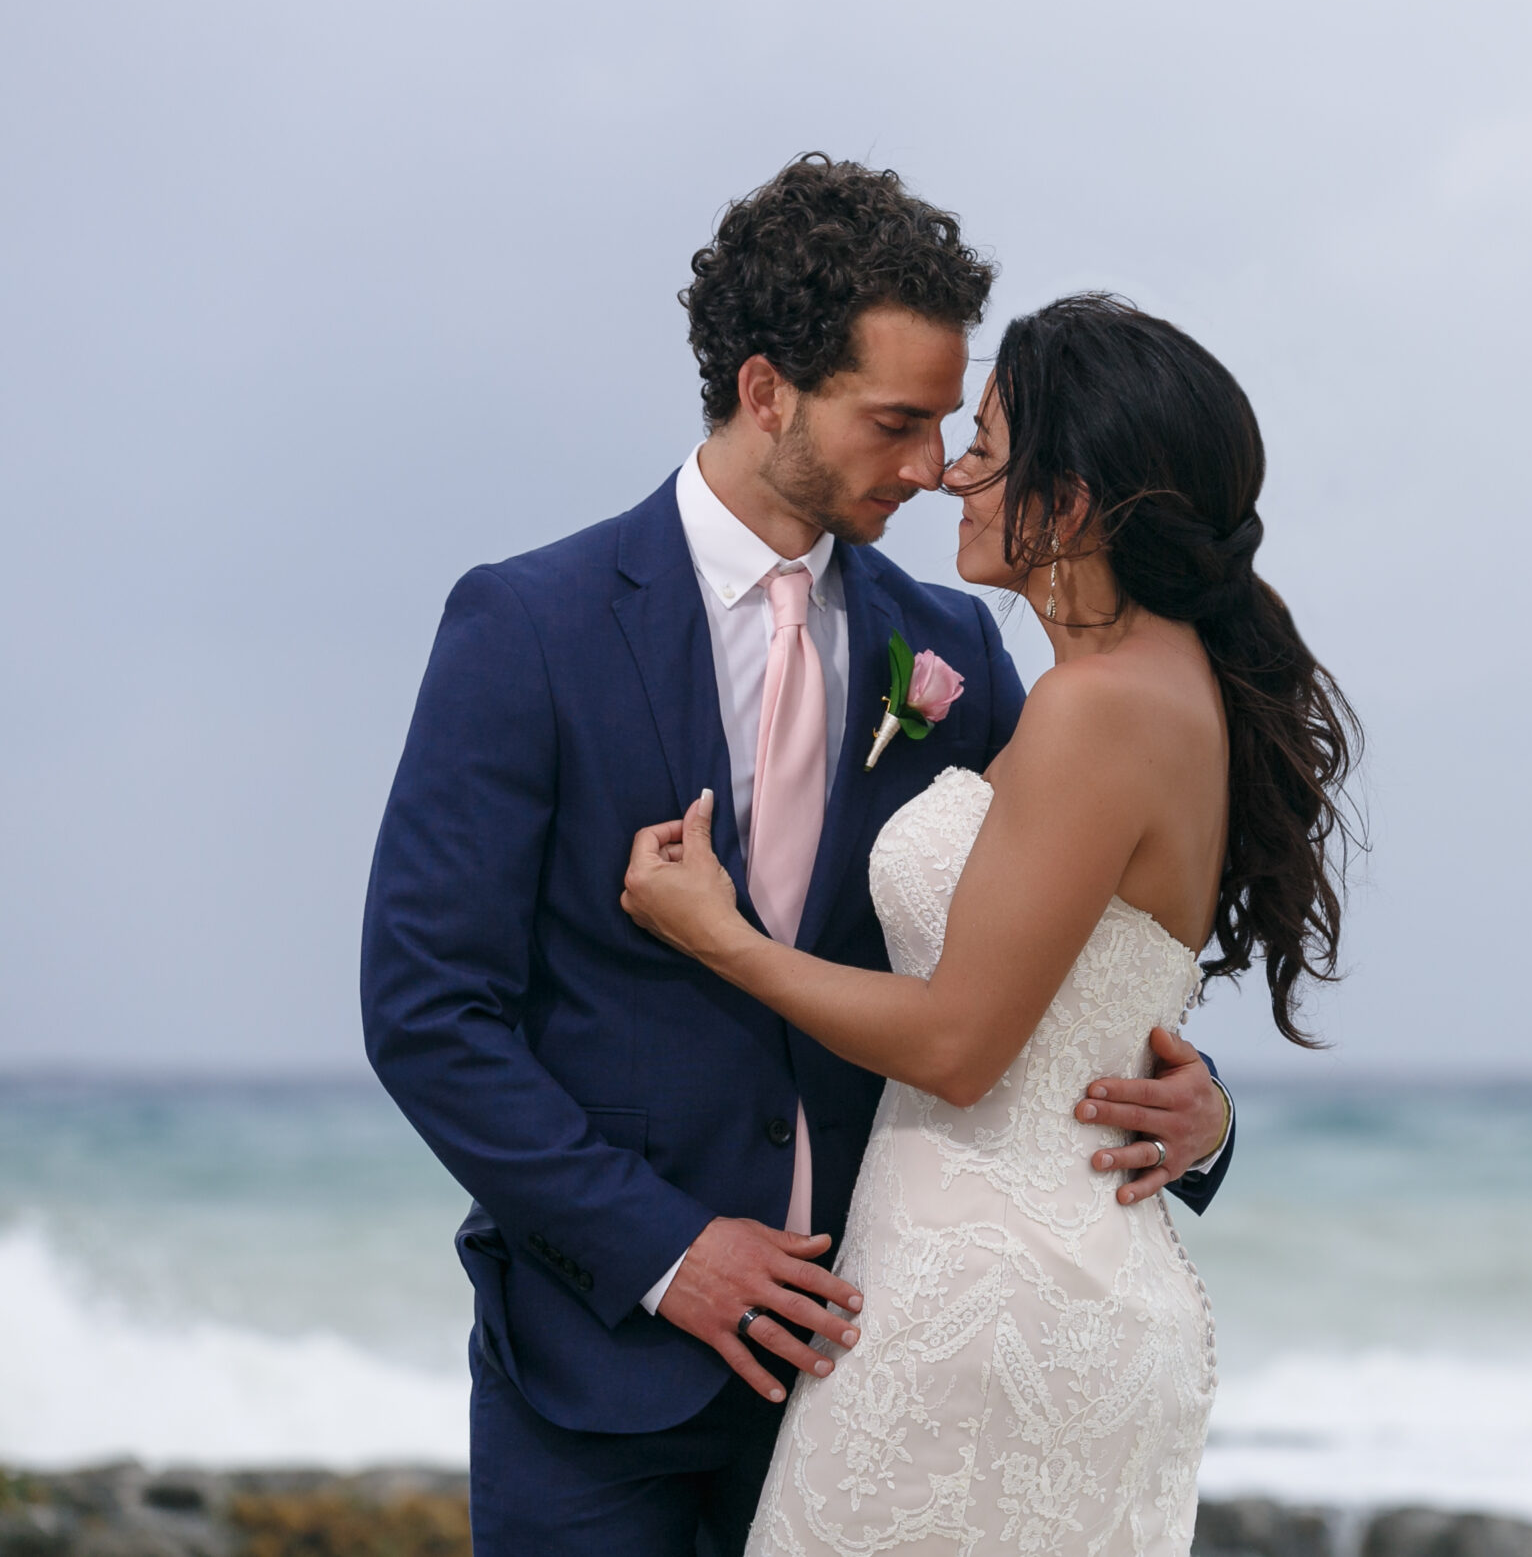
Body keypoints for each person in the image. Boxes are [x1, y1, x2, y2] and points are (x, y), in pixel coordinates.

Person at [360, 159, 1241, 1557]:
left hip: (877, 1360)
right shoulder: (526, 625)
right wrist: (665, 1251)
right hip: (600, 1375)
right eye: (895, 421)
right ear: (767, 389)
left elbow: (1053, 934)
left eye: (952, 425)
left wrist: (1199, 1113)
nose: (932, 464)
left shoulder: (954, 645)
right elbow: (426, 1012)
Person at [621, 292, 1359, 1557]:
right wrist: (1207, 1108)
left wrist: (721, 937)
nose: (951, 472)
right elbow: (1087, 989)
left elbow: (963, 1042)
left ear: (1066, 503)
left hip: (985, 1312)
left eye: (987, 447)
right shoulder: (1140, 690)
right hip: (1010, 1281)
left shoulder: (1098, 709)